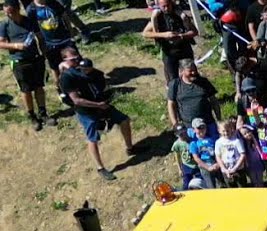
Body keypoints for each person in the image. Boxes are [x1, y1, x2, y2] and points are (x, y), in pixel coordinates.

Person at [58, 47, 135, 181]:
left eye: (77, 56)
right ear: (65, 60)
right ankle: (100, 168)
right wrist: (98, 105)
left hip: (101, 104)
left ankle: (130, 148)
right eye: (73, 59)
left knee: (124, 120)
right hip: (86, 111)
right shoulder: (67, 77)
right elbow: (76, 100)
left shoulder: (82, 67)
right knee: (92, 138)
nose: (77, 60)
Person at [1, 0, 55, 131]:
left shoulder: (28, 21)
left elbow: (40, 37)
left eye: (11, 12)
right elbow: (1, 43)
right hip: (19, 61)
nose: (9, 15)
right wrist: (15, 45)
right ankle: (32, 116)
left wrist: (44, 54)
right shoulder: (4, 25)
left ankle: (43, 113)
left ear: (17, 9)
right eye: (6, 12)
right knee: (26, 90)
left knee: (39, 87)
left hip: (35, 58)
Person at [141, 0, 197, 84]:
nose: (166, 8)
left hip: (184, 50)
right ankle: (173, 95)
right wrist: (164, 35)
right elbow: (145, 33)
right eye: (163, 6)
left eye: (168, 5)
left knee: (190, 75)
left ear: (172, 3)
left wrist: (182, 36)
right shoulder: (158, 17)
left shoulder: (180, 15)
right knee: (172, 80)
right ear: (159, 5)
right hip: (168, 53)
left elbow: (195, 31)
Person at [166, 59, 218, 130]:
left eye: (195, 70)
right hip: (188, 126)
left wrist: (219, 119)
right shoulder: (175, 85)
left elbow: (214, 101)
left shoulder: (203, 82)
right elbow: (170, 104)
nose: (193, 72)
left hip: (207, 123)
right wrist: (175, 123)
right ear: (182, 71)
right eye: (190, 71)